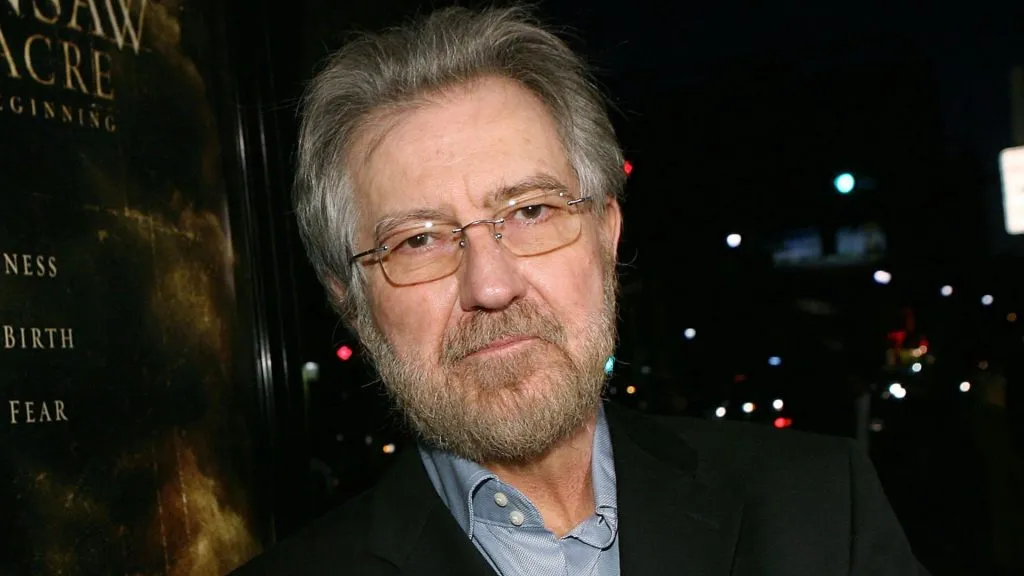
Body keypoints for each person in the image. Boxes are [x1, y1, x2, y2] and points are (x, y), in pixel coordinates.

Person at [233, 6, 930, 575]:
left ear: (608, 232)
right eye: (419, 240)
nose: (492, 284)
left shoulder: (822, 509)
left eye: (532, 212)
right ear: (348, 300)